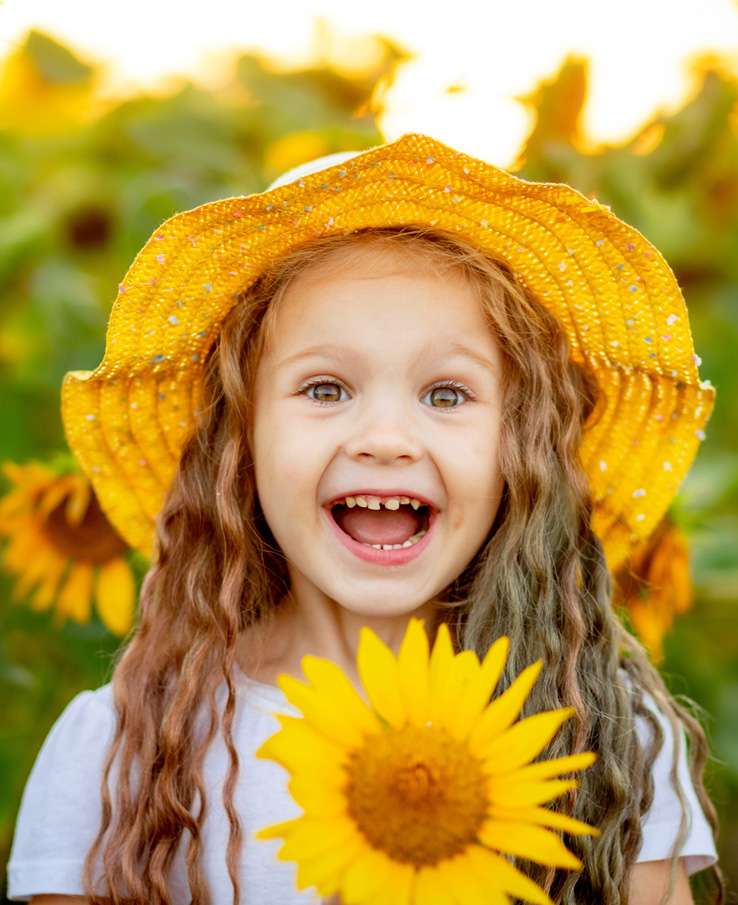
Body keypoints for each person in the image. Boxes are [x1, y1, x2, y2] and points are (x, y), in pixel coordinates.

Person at [6, 132, 724, 905]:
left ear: (524, 447)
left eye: (447, 394)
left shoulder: (603, 730)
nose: (385, 440)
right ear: (238, 441)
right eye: (324, 388)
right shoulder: (122, 750)